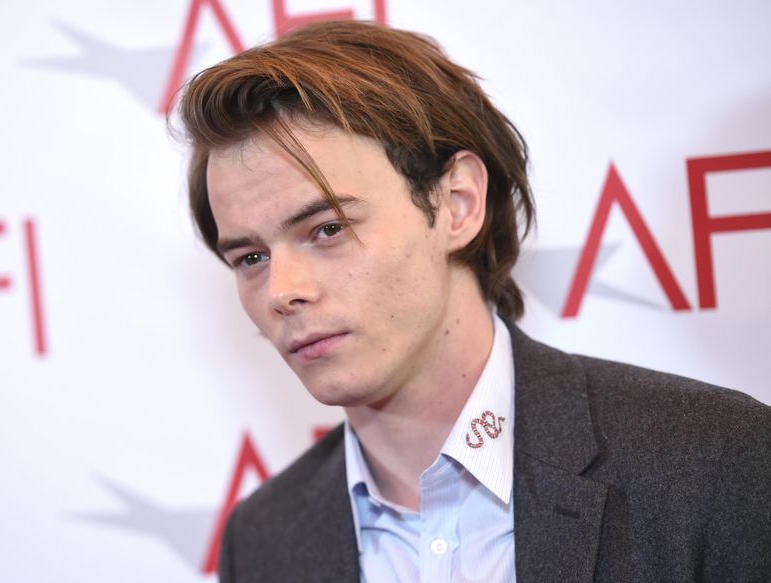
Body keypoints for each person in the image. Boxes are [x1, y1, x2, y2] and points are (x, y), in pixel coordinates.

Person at [174, 20, 771, 583]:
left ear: (458, 204)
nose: (282, 291)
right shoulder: (263, 542)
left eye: (328, 228)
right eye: (251, 258)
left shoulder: (712, 461)